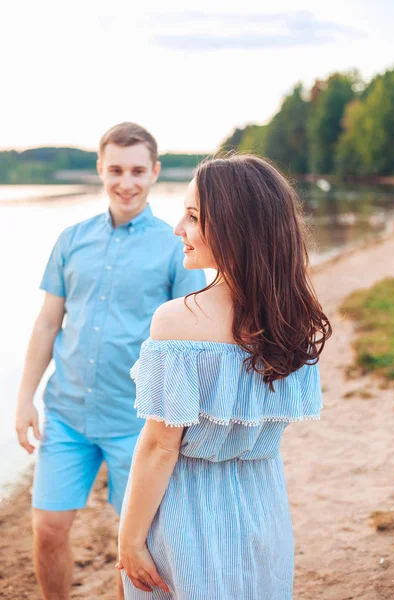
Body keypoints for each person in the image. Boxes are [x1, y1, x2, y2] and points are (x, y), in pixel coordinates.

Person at [117, 154, 332, 599]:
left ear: (235, 227)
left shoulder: (178, 321)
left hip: (188, 512)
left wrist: (130, 538)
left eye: (193, 216)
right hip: (263, 510)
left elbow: (160, 446)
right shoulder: (294, 321)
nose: (179, 228)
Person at [15, 122, 206, 600]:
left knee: (134, 542)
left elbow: (191, 336)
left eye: (138, 171)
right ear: (100, 169)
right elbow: (46, 323)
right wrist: (24, 398)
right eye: (116, 169)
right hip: (67, 414)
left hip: (137, 422)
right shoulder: (70, 238)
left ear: (155, 173)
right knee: (48, 529)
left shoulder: (175, 246)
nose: (127, 182)